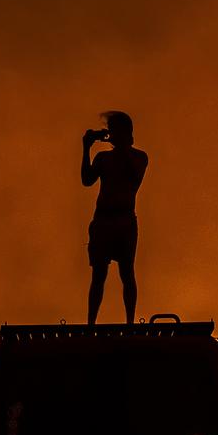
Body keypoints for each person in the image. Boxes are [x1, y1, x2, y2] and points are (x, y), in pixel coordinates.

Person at [81, 111, 148, 324]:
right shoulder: (103, 158)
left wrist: (122, 146)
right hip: (103, 221)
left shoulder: (139, 157)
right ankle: (91, 322)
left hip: (125, 221)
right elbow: (86, 180)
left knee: (127, 272)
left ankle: (130, 321)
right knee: (98, 276)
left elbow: (133, 175)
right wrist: (86, 148)